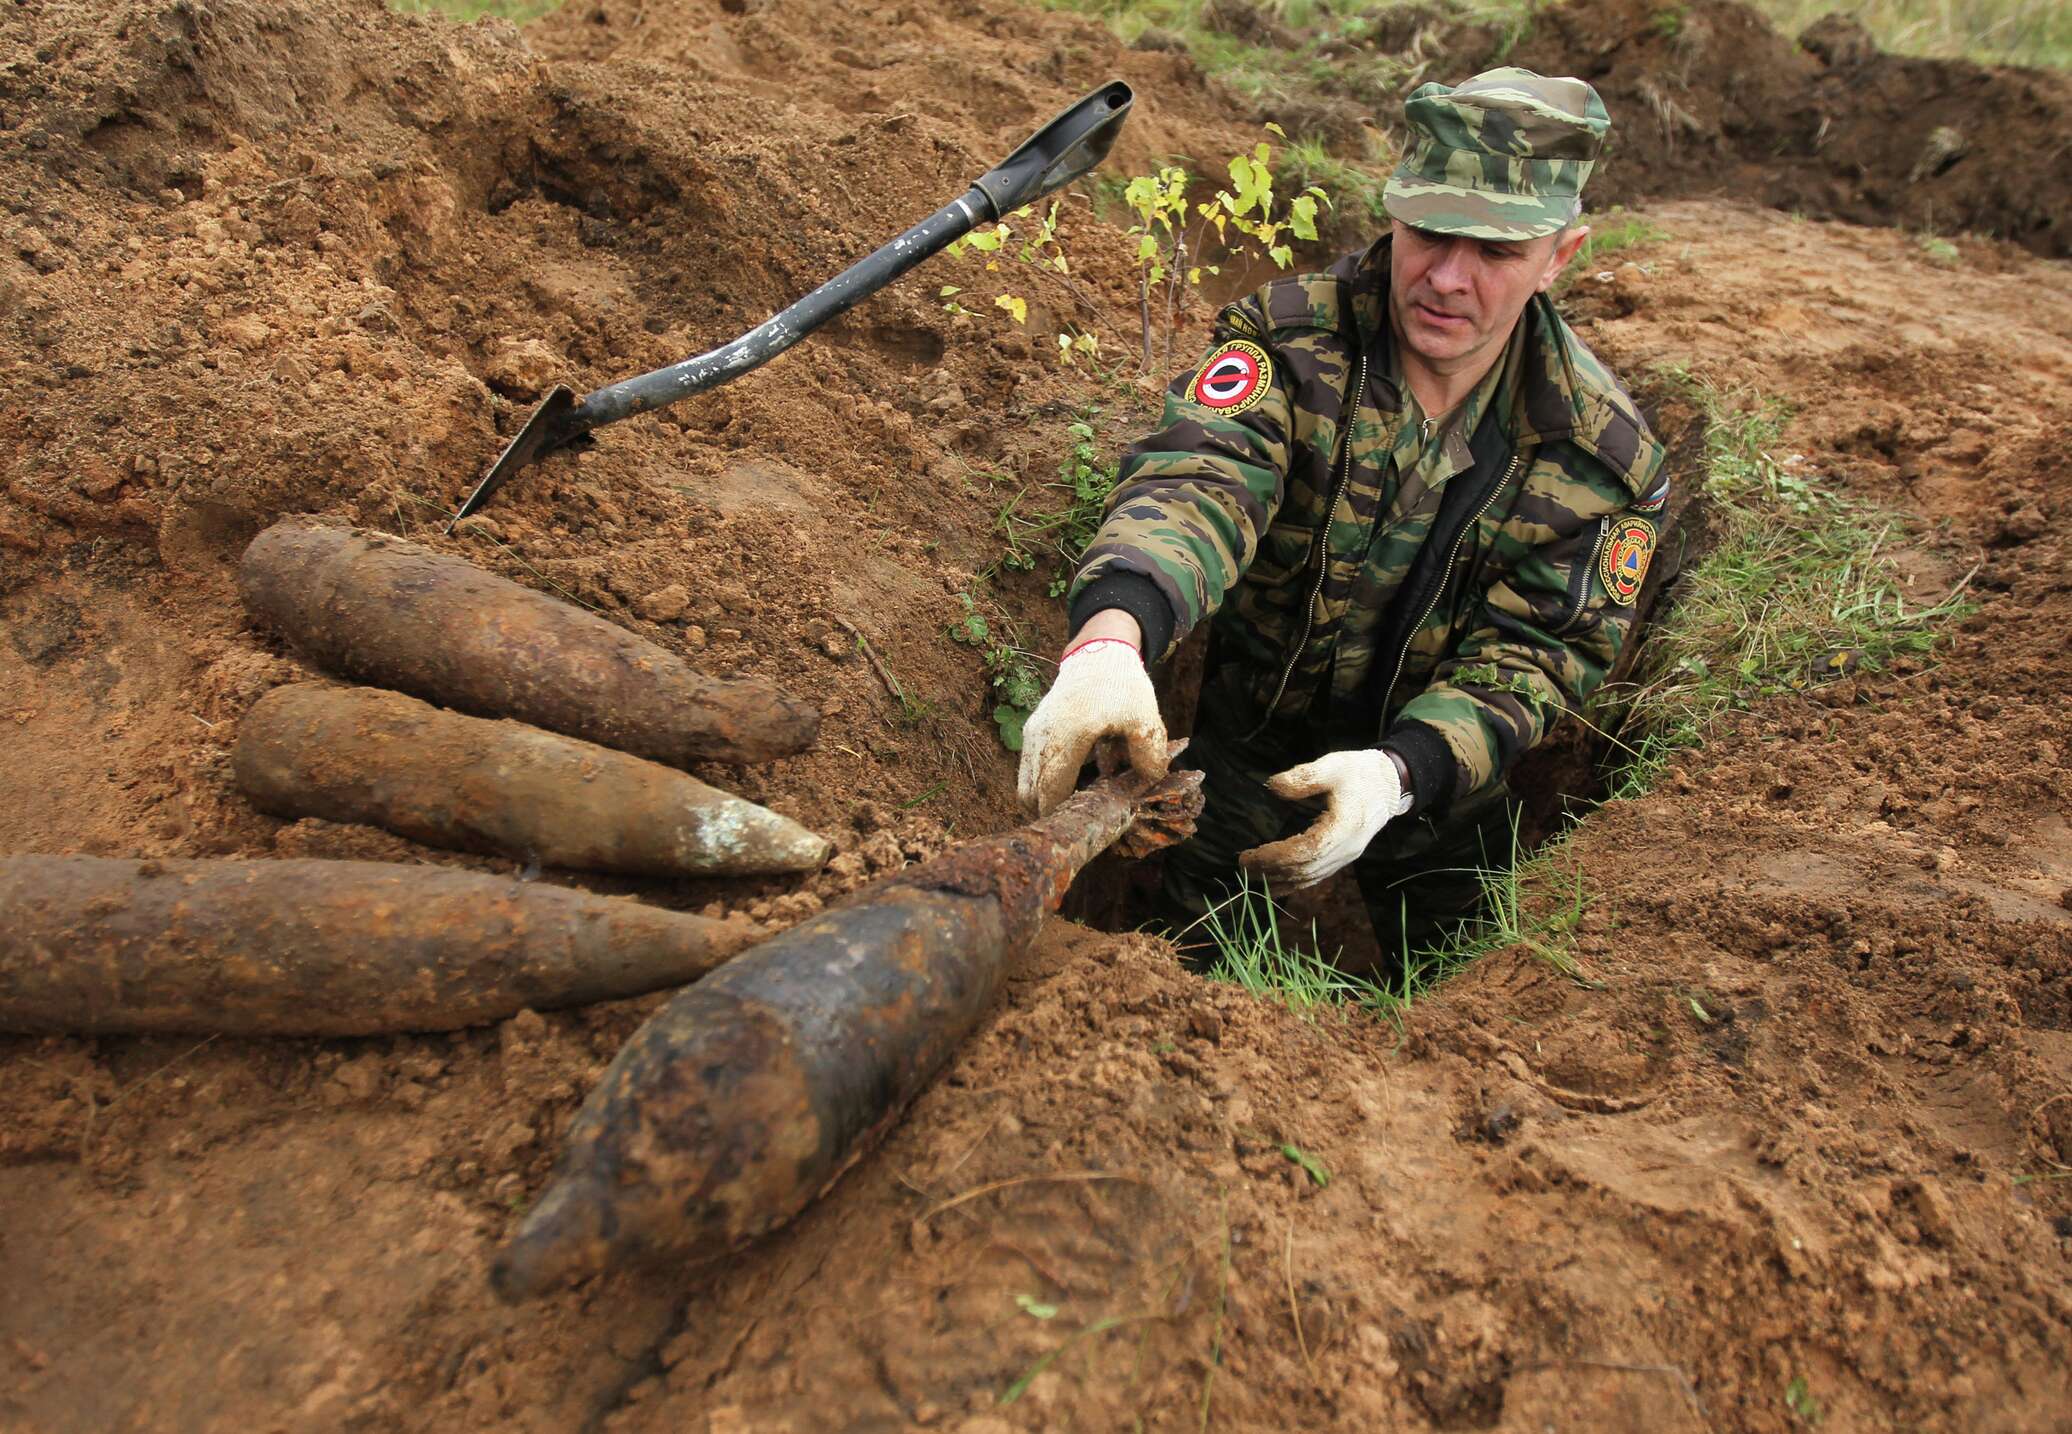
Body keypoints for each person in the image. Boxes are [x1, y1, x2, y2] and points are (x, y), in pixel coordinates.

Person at [1016, 68, 1670, 963]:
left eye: (1494, 253)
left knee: (1475, 979)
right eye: (1431, 234)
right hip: (1251, 740)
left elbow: (1543, 652)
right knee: (1183, 968)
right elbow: (1201, 479)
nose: (1447, 277)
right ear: (1394, 218)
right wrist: (1110, 639)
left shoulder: (1599, 460)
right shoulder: (1290, 345)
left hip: (1443, 782)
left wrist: (1403, 775)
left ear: (1560, 256)